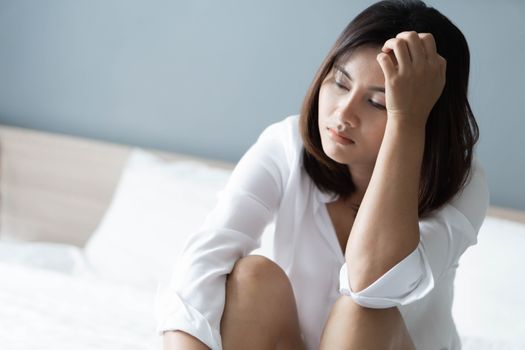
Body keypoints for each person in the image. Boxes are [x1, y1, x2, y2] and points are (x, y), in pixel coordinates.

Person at [157, 0, 489, 349]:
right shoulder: (287, 145)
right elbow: (205, 259)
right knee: (250, 278)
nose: (343, 115)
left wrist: (406, 120)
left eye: (377, 103)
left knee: (364, 309)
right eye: (341, 84)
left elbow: (373, 283)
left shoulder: (461, 183)